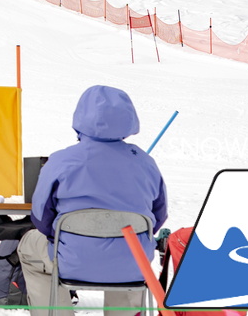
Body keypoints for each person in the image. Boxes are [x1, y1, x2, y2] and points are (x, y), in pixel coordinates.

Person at [18, 85, 168, 316]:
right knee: (133, 251)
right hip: (131, 263)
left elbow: (41, 217)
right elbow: (158, 217)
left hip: (72, 259)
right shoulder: (145, 162)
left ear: (80, 118)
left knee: (28, 247)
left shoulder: (61, 161)